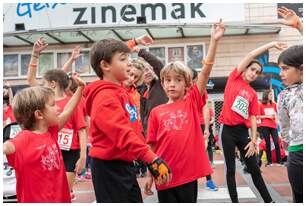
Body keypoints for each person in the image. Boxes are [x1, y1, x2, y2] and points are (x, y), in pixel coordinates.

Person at [144, 19, 225, 203]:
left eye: (178, 80)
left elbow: (205, 72)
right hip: (163, 173)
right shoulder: (156, 112)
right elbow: (151, 147)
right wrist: (150, 174)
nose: (172, 84)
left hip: (188, 175)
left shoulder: (192, 101)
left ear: (187, 84)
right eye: (168, 80)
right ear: (162, 83)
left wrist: (214, 41)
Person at [84, 38, 171, 203]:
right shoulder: (105, 98)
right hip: (109, 168)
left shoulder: (120, 91)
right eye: (123, 59)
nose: (129, 63)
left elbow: (134, 131)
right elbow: (122, 134)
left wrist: (134, 42)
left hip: (124, 164)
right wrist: (151, 158)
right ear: (105, 65)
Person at [218, 39, 287, 202]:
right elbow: (250, 54)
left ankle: (269, 201)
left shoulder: (252, 93)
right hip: (227, 130)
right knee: (230, 170)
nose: (253, 73)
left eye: (257, 72)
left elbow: (253, 117)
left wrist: (254, 140)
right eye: (252, 69)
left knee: (255, 169)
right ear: (245, 68)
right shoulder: (234, 78)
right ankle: (235, 202)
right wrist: (271, 44)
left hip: (243, 133)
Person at [3, 74, 86, 203]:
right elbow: (7, 147)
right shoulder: (23, 139)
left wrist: (80, 88)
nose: (58, 108)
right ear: (39, 114)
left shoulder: (51, 131)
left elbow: (68, 110)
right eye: (53, 105)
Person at [27, 38, 87, 200]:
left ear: (52, 84)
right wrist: (35, 55)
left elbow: (82, 130)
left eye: (44, 82)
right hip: (50, 150)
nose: (41, 84)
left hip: (70, 152)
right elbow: (31, 80)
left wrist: (83, 156)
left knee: (64, 192)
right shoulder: (44, 100)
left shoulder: (72, 103)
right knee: (49, 191)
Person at [277, 6, 303, 203]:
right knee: (299, 196)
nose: (281, 73)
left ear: (301, 69)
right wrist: (287, 144)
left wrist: (300, 27)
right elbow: (283, 124)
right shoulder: (283, 95)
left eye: (285, 69)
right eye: (280, 69)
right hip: (295, 153)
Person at [258, 89, 283, 166]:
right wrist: (267, 116)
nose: (271, 96)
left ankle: (279, 161)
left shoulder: (274, 105)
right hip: (265, 126)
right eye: (270, 95)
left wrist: (277, 121)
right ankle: (269, 162)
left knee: (276, 142)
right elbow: (258, 116)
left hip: (273, 126)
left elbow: (276, 115)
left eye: (272, 95)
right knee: (267, 143)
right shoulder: (261, 105)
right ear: (266, 95)